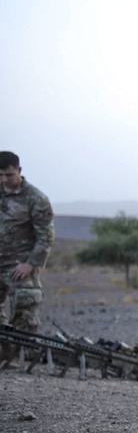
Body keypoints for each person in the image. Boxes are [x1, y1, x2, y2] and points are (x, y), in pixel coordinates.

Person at [1, 151, 55, 365]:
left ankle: (16, 356)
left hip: (19, 264)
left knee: (26, 304)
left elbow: (45, 236)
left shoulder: (36, 198)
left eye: (9, 175)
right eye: (0, 175)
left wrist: (31, 264)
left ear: (19, 171)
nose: (4, 180)